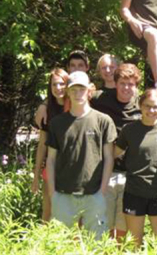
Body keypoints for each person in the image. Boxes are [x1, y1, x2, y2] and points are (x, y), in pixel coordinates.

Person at [45, 71, 117, 238]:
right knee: (61, 247)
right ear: (68, 92)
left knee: (97, 246)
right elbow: (50, 160)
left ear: (89, 91)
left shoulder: (103, 121)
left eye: (82, 89)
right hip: (63, 195)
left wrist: (102, 190)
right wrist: (52, 194)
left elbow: (108, 158)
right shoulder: (57, 123)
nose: (78, 94)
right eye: (74, 89)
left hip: (94, 194)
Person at [114, 89, 157, 246]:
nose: (151, 110)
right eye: (147, 106)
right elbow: (113, 153)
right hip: (134, 192)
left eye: (155, 107)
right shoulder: (129, 130)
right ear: (140, 106)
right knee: (134, 243)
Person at [91, 63, 142, 240]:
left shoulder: (142, 105)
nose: (126, 88)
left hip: (131, 175)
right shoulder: (100, 99)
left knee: (122, 226)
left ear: (136, 86)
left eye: (131, 84)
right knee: (102, 223)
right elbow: (76, 97)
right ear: (115, 83)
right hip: (106, 172)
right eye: (122, 83)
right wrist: (46, 104)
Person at [32, 68, 69, 222]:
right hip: (51, 167)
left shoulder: (76, 107)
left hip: (71, 169)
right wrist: (35, 177)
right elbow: (42, 145)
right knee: (47, 212)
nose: (58, 88)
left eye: (62, 84)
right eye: (54, 85)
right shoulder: (47, 110)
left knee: (71, 214)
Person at [34, 50, 90, 129]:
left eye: (80, 65)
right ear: (68, 68)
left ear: (87, 67)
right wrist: (44, 105)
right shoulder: (63, 87)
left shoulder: (92, 89)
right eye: (73, 65)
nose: (76, 69)